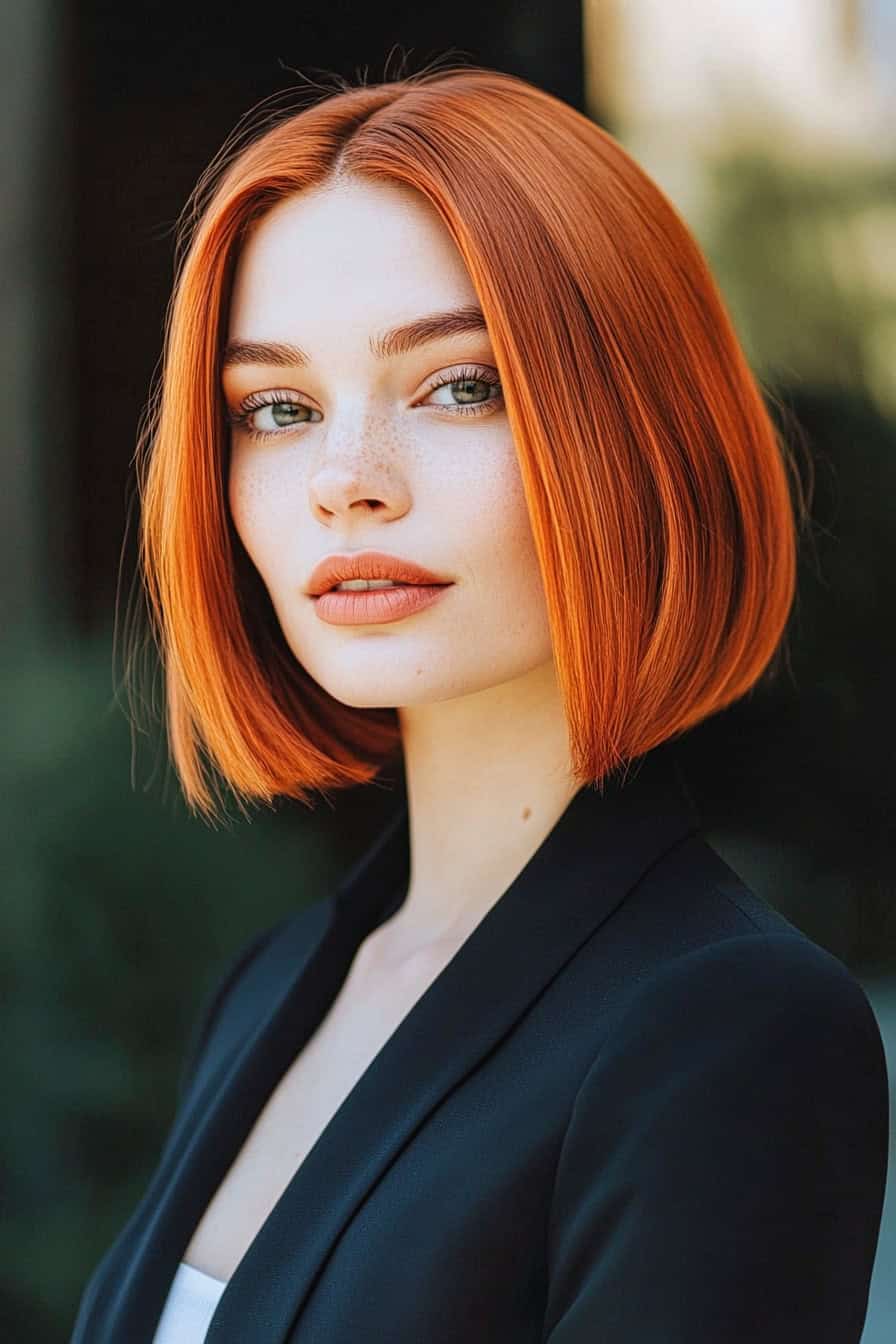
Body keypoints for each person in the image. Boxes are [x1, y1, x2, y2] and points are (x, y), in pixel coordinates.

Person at [71, 63, 888, 1344]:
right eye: (276, 409)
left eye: (460, 384)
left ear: (635, 430)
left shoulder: (725, 1031)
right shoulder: (275, 986)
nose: (347, 481)